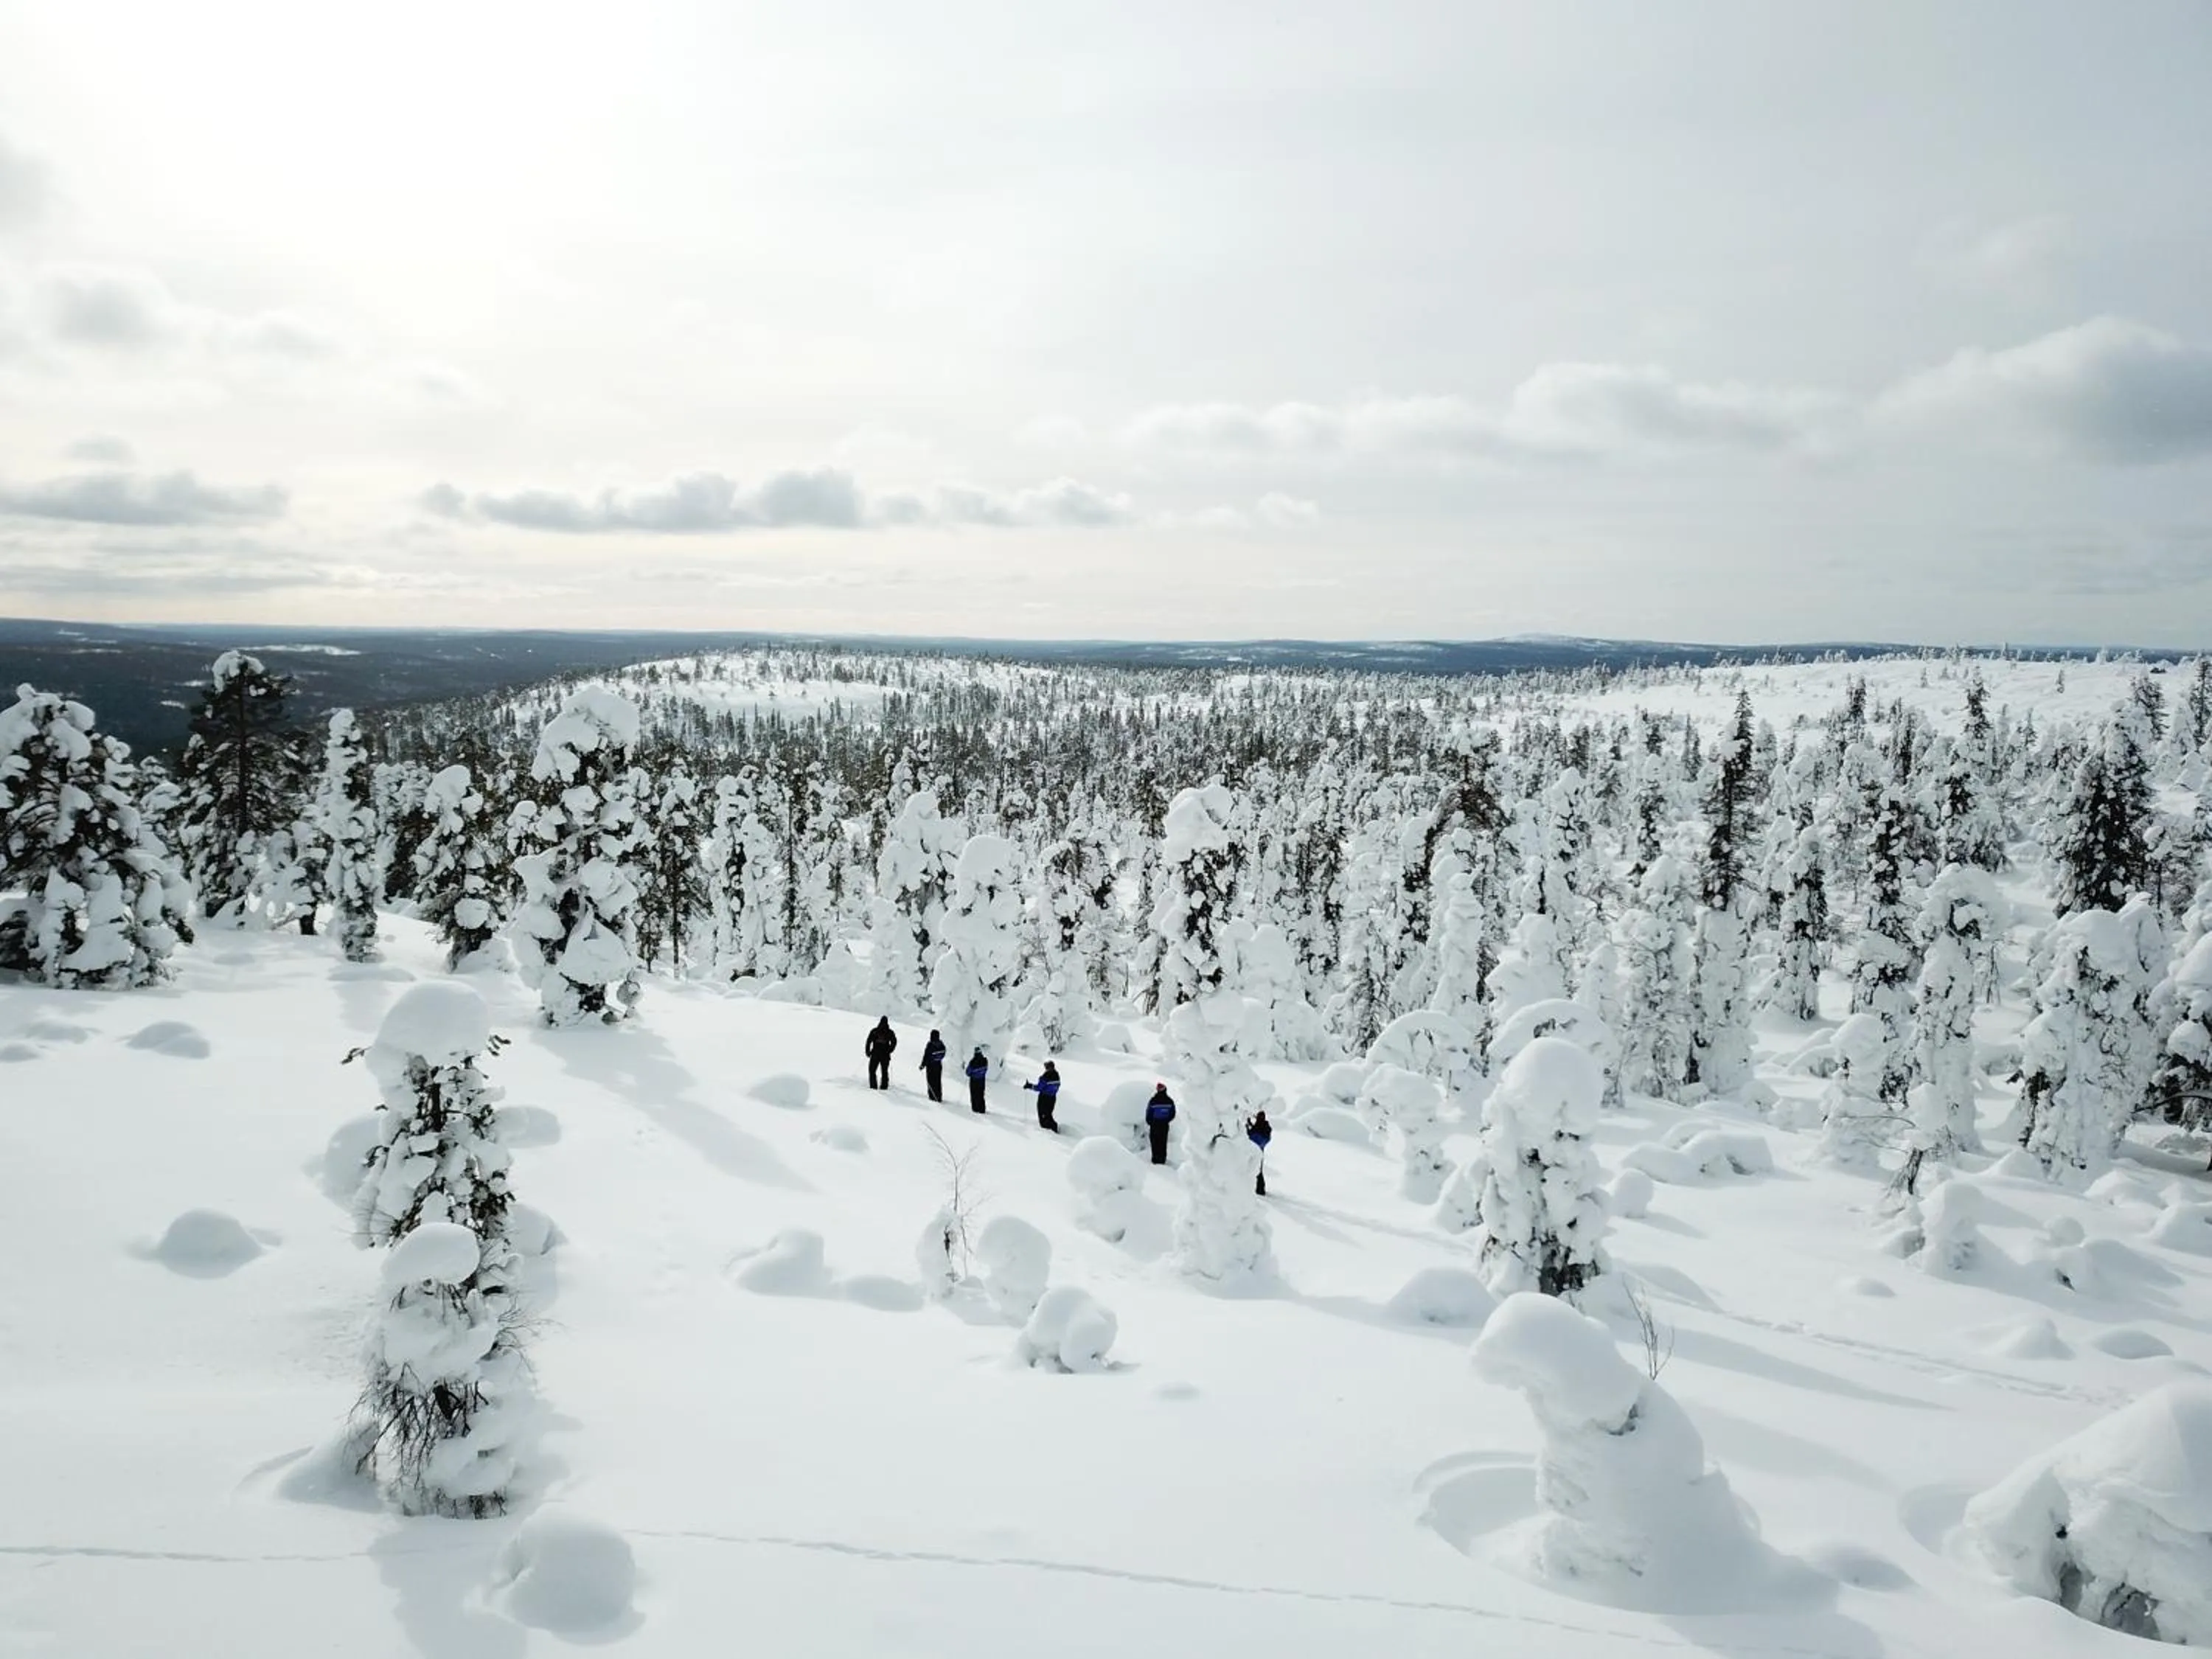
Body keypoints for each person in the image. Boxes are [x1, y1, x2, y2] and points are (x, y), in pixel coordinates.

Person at [1023, 1061, 1062, 1133]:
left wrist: (1029, 1086)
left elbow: (1039, 1088)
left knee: (1043, 1120)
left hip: (1044, 1099)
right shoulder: (1057, 1075)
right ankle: (1054, 1128)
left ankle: (1052, 1130)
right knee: (1048, 1115)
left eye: (1046, 1067)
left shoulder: (1046, 1076)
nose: (1046, 1069)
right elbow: (1057, 1086)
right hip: (1052, 1099)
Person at [1144, 1082, 1175, 1165]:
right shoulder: (1169, 1101)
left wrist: (1151, 1123)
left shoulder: (1153, 1101)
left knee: (1155, 1143)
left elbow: (1148, 1113)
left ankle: (1155, 1160)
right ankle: (1162, 1160)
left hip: (1154, 1126)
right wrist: (1166, 1120)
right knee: (1163, 1142)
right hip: (1164, 1126)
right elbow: (1173, 1114)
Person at [864, 1017, 897, 1091]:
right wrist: (890, 1050)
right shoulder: (890, 1032)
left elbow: (868, 1041)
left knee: (872, 1070)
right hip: (885, 1055)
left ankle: (873, 1086)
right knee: (884, 1071)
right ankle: (884, 1087)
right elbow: (894, 1042)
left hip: (875, 1054)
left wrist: (868, 1052)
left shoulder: (875, 1031)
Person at [1248, 1109, 1273, 1195]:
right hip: (1255, 1150)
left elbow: (1262, 1138)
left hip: (1257, 1151)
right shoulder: (1262, 1126)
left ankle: (1260, 1190)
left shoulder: (1264, 1126)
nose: (1260, 1118)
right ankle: (1257, 1189)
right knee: (1257, 1170)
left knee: (1257, 1170)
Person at [919, 1029, 947, 1102]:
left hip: (931, 1066)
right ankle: (939, 1097)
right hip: (938, 1065)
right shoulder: (941, 1044)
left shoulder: (930, 1045)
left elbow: (926, 1056)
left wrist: (922, 1065)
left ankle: (932, 1097)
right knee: (938, 1081)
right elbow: (944, 1053)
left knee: (931, 1081)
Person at [965, 1047, 990, 1113]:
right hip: (982, 1080)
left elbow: (968, 1072)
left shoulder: (973, 1062)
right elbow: (986, 1069)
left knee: (974, 1095)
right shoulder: (985, 1060)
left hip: (974, 1081)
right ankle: (982, 1109)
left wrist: (972, 1074)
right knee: (981, 1094)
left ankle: (975, 1109)